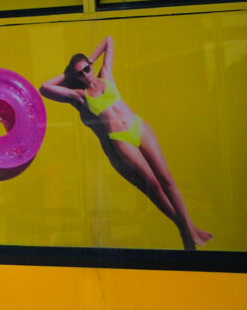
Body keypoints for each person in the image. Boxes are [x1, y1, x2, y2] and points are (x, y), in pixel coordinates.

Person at [41, 38, 211, 250]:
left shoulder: (106, 75)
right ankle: (186, 230)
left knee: (167, 179)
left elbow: (109, 41)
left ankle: (190, 229)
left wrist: (91, 60)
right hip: (121, 139)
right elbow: (45, 88)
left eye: (86, 69)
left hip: (139, 127)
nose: (85, 75)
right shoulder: (80, 96)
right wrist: (68, 74)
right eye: (80, 73)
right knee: (154, 184)